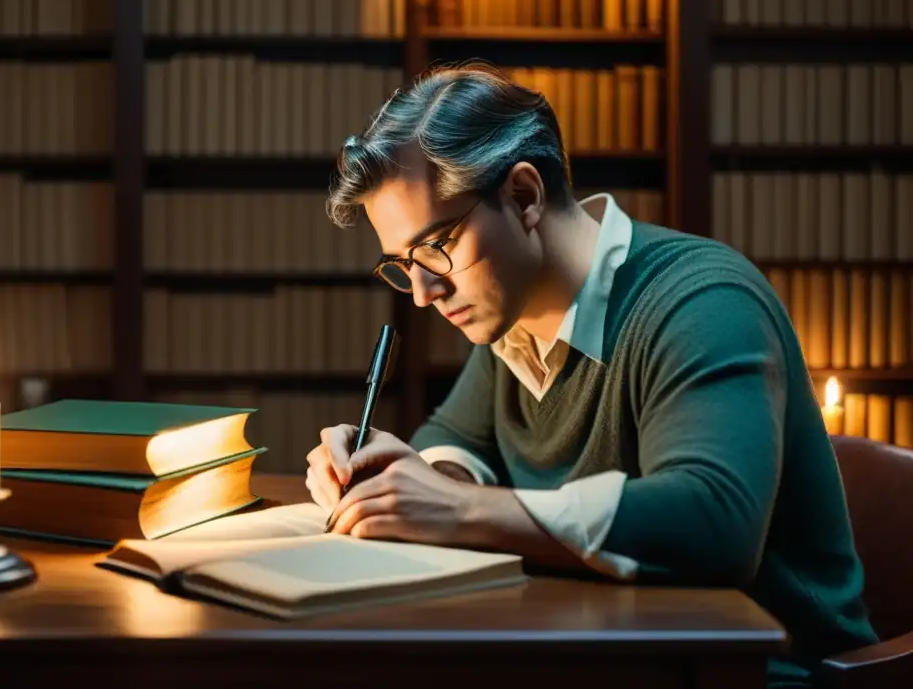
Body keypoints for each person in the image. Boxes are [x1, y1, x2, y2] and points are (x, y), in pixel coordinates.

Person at [303, 62, 878, 687]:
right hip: (608, 651)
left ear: (524, 197)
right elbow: (458, 437)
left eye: (437, 245)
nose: (422, 292)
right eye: (403, 263)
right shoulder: (511, 308)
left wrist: (460, 510)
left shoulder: (703, 300)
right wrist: (408, 482)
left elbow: (716, 522)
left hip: (763, 673)